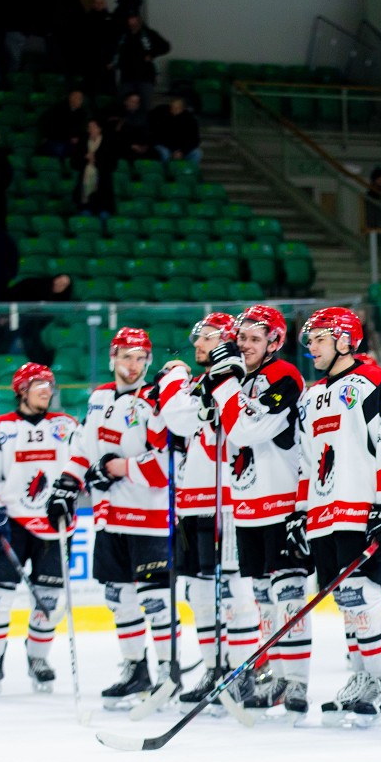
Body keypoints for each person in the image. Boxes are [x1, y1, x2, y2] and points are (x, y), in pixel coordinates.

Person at [46, 328, 180, 710]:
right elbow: (83, 449)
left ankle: (170, 673)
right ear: (113, 358)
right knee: (118, 597)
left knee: (155, 600)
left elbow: (164, 466)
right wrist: (65, 486)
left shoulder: (156, 402)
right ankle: (135, 669)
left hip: (151, 517)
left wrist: (118, 468)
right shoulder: (100, 396)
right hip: (110, 517)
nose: (133, 365)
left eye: (140, 357)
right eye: (126, 356)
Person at [295, 308, 381, 727]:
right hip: (324, 514)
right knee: (347, 601)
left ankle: (380, 685)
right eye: (310, 340)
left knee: (364, 594)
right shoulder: (309, 397)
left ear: (346, 340)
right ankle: (360, 678)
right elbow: (305, 463)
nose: (312, 347)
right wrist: (299, 513)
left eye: (321, 339)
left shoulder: (374, 383)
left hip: (362, 511)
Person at [204, 305, 309, 718]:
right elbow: (208, 425)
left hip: (284, 505)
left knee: (289, 596)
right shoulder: (235, 379)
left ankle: (298, 681)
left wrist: (226, 383)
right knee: (265, 599)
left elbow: (248, 428)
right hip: (246, 508)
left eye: (253, 338)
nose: (244, 345)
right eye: (241, 337)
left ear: (274, 343)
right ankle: (278, 677)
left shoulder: (285, 376)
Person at [155, 314, 262, 712]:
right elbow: (178, 419)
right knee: (199, 593)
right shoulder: (202, 381)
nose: (198, 342)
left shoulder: (242, 378)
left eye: (207, 336)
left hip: (228, 501)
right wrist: (173, 379)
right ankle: (216, 668)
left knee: (234, 591)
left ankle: (244, 671)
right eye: (196, 336)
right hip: (193, 502)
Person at [0, 364, 79, 696]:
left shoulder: (66, 426)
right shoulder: (0, 428)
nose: (47, 389)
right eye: (39, 384)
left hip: (55, 523)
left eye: (49, 384)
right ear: (21, 389)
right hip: (12, 522)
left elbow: (82, 462)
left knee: (48, 597)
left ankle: (38, 658)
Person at [113, 13, 170, 112]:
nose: (131, 23)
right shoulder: (124, 36)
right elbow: (117, 52)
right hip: (127, 77)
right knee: (123, 107)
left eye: (133, 19)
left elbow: (165, 46)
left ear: (139, 20)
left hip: (145, 77)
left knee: (145, 107)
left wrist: (152, 54)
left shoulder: (148, 34)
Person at [71, 118, 118, 217]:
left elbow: (112, 165)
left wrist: (95, 160)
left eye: (93, 127)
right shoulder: (83, 142)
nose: (90, 130)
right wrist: (85, 158)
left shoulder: (108, 143)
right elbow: (74, 162)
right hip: (85, 187)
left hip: (102, 188)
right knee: (85, 215)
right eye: (89, 127)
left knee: (103, 216)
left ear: (99, 129)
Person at [149, 98, 201, 165]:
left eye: (176, 108)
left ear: (182, 109)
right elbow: (160, 137)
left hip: (181, 150)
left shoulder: (190, 121)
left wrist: (182, 151)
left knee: (197, 153)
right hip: (165, 146)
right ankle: (165, 172)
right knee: (164, 153)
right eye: (172, 107)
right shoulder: (163, 117)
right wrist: (173, 150)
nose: (173, 110)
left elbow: (194, 140)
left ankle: (189, 172)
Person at [40, 90, 89, 160]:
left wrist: (78, 138)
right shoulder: (58, 109)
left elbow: (82, 130)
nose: (81, 101)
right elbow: (54, 128)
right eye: (78, 98)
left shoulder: (82, 113)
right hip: (56, 139)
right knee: (59, 149)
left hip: (71, 141)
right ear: (71, 98)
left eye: (81, 98)